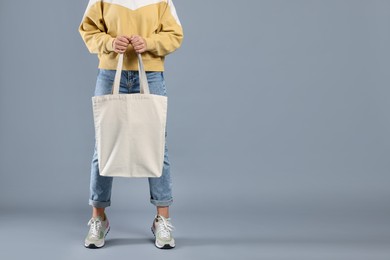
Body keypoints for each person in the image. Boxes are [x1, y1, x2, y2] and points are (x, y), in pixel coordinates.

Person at [78, 0, 183, 249]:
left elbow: (175, 34)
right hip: (109, 71)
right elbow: (88, 30)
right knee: (104, 146)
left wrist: (149, 43)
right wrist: (110, 43)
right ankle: (98, 219)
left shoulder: (162, 0)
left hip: (151, 73)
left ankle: (162, 220)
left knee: (157, 146)